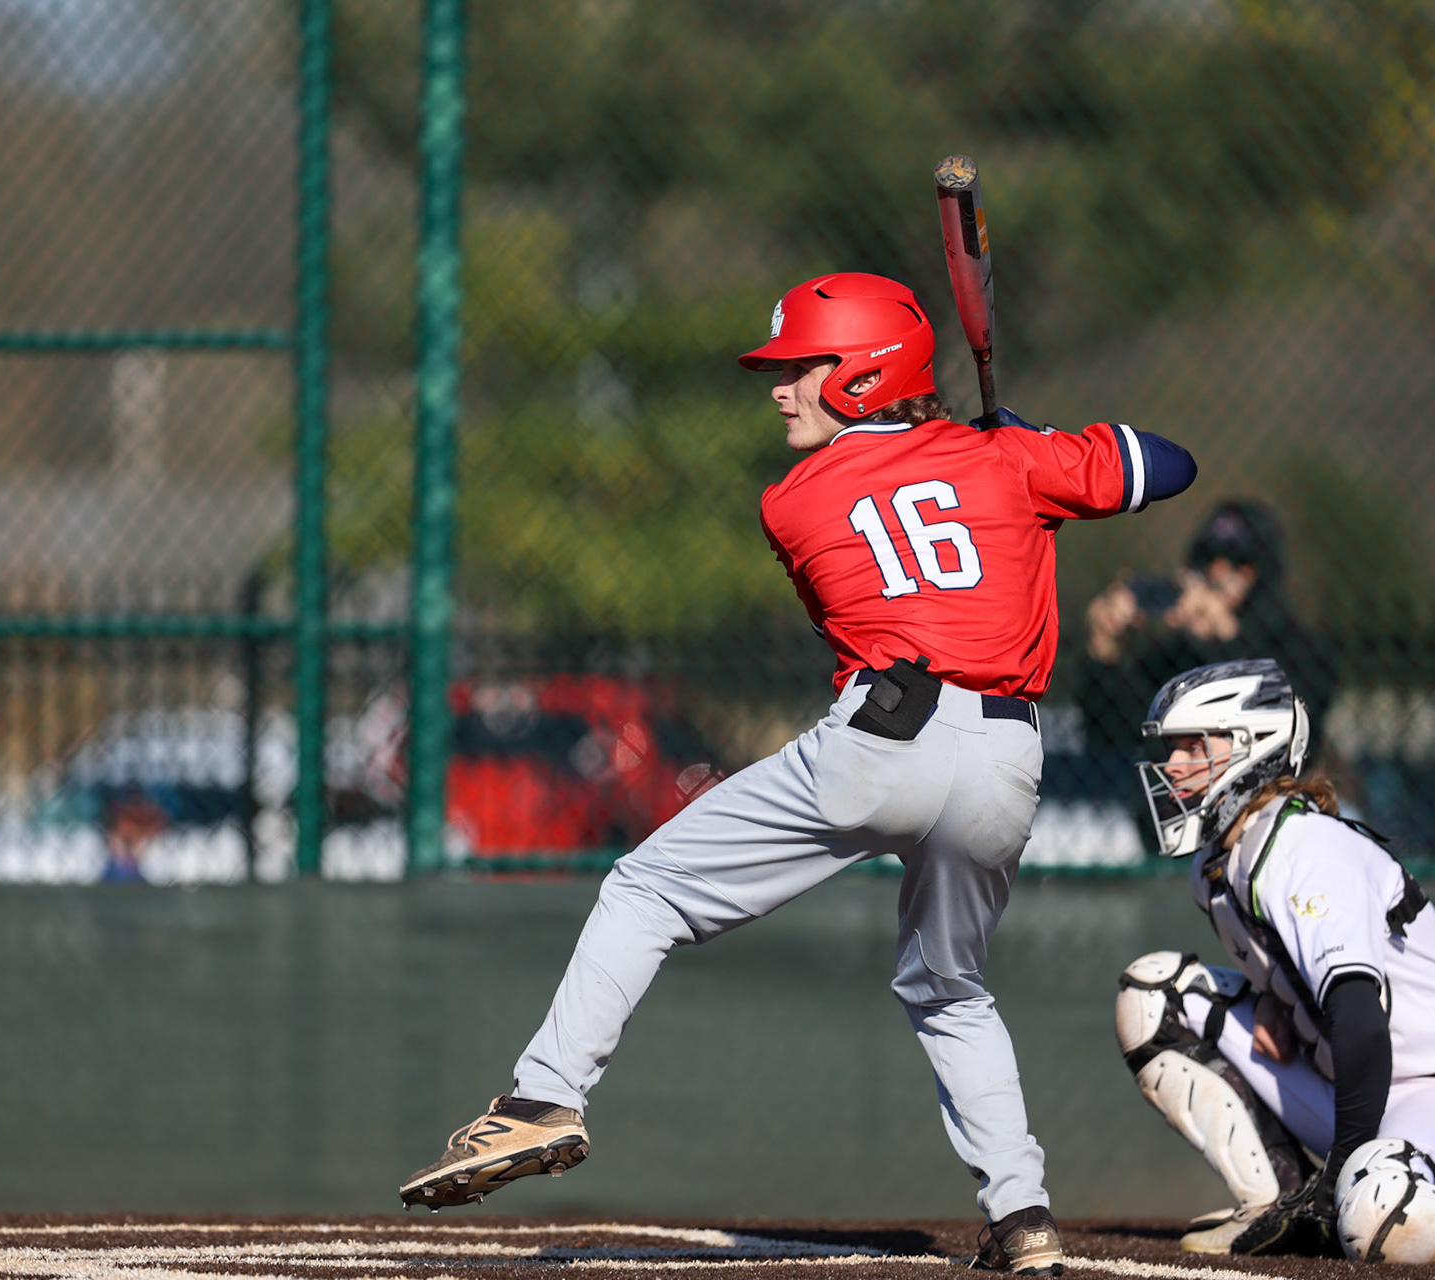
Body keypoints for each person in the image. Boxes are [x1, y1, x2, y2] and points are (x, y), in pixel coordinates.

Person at [397, 271, 1197, 1272]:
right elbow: (1172, 465)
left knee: (644, 887)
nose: (779, 388)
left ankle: (540, 1098)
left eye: (800, 368)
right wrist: (1034, 449)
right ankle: (1023, 1216)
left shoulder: (793, 501)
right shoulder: (1010, 460)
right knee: (951, 987)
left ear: (863, 374)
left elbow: (899, 536)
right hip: (1006, 757)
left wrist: (1001, 458)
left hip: (880, 743)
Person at [1114, 658, 1435, 1265]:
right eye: (1172, 748)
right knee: (1157, 996)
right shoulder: (1219, 864)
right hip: (1352, 1089)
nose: (1174, 766)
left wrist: (1341, 1173)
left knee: (1376, 1209)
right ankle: (1279, 1199)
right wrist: (1281, 1011)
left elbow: (1361, 1019)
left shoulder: (1306, 847)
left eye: (1194, 746)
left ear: (1256, 748)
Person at [1077, 500, 1335, 776]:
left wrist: (1225, 637)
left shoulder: (1302, 650)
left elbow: (1290, 726)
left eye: (1238, 563)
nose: (1219, 572)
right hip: (1178, 809)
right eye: (1209, 559)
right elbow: (1108, 734)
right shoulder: (1176, 654)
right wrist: (1104, 649)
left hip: (1270, 806)